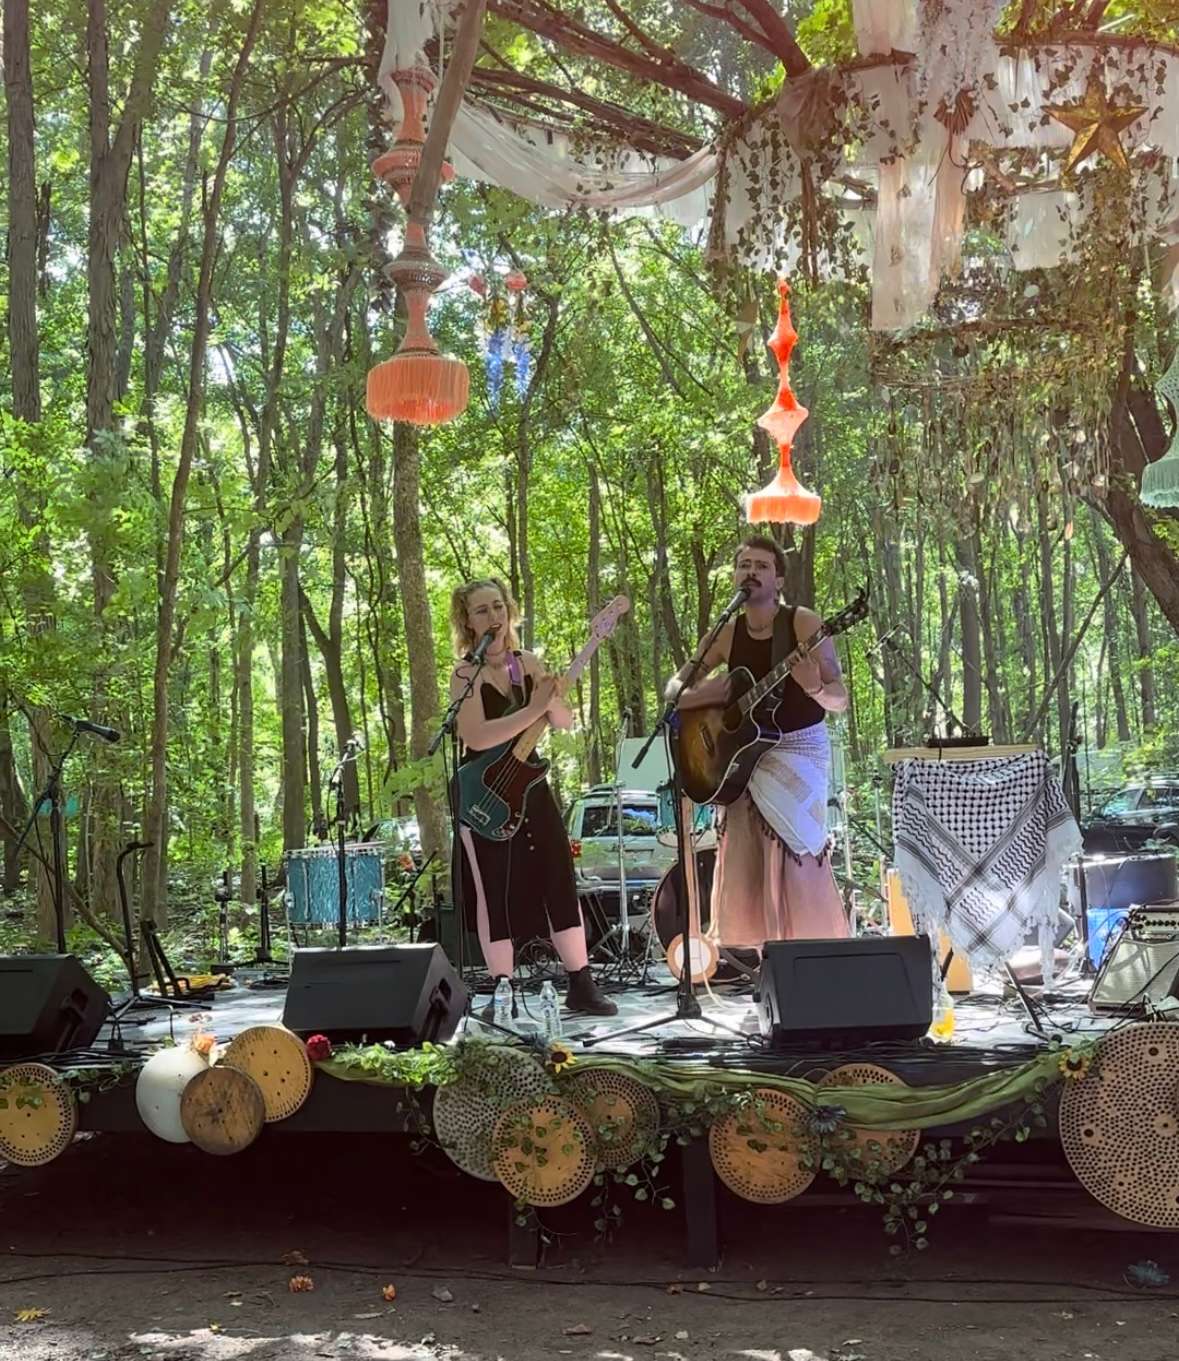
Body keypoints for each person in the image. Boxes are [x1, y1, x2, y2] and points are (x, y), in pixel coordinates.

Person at [666, 536, 849, 951]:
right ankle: (769, 963)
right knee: (751, 852)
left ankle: (809, 954)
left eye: (762, 566)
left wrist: (815, 686)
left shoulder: (801, 623)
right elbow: (675, 687)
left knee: (795, 849)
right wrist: (713, 694)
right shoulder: (728, 632)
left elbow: (839, 699)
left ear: (779, 579)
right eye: (744, 565)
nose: (751, 571)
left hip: (798, 749)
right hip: (745, 757)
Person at [450, 577, 617, 1016]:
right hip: (485, 791)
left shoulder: (529, 663)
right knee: (494, 888)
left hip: (530, 785)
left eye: (499, 607)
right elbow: (477, 735)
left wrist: (554, 698)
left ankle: (580, 981)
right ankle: (501, 991)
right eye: (482, 610)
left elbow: (560, 721)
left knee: (559, 875)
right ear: (467, 621)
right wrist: (531, 710)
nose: (494, 617)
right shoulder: (465, 675)